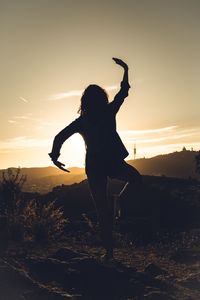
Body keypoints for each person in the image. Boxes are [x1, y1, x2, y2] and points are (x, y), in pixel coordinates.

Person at [49, 58, 142, 259]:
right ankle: (119, 202)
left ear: (85, 101)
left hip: (94, 166)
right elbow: (123, 92)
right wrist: (125, 69)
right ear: (101, 98)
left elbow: (59, 137)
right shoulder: (109, 112)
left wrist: (55, 156)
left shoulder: (82, 121)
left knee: (102, 210)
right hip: (112, 162)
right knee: (136, 179)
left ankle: (109, 252)